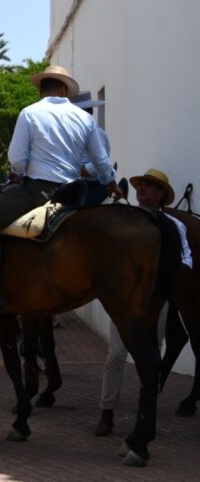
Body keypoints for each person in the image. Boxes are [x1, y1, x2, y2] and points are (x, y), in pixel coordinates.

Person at [0, 65, 121, 312]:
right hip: (75, 192)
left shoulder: (29, 113)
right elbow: (102, 162)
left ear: (42, 88)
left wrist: (21, 169)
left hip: (37, 191)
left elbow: (16, 158)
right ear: (63, 88)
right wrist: (112, 184)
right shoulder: (84, 118)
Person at [94, 168, 192, 436]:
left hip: (155, 302)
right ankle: (106, 410)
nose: (142, 189)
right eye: (141, 184)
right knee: (115, 355)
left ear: (161, 193)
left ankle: (144, 410)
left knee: (150, 358)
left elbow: (186, 261)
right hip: (124, 301)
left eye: (150, 185)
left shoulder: (174, 226)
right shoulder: (124, 221)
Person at [70, 91, 113, 206]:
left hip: (92, 186)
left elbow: (97, 166)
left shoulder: (97, 133)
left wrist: (77, 170)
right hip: (74, 184)